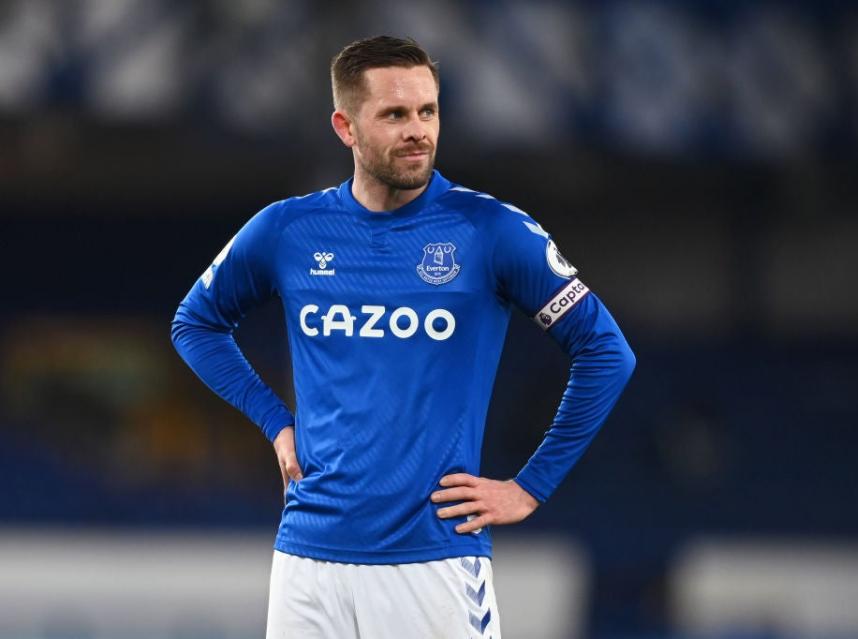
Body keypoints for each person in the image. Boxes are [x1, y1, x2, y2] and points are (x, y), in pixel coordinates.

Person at [171, 35, 635, 639]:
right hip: (307, 559)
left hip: (432, 561)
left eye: (428, 111)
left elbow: (606, 352)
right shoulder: (289, 230)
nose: (418, 130)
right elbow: (195, 324)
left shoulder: (491, 231)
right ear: (346, 126)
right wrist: (274, 422)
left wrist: (529, 487)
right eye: (394, 114)